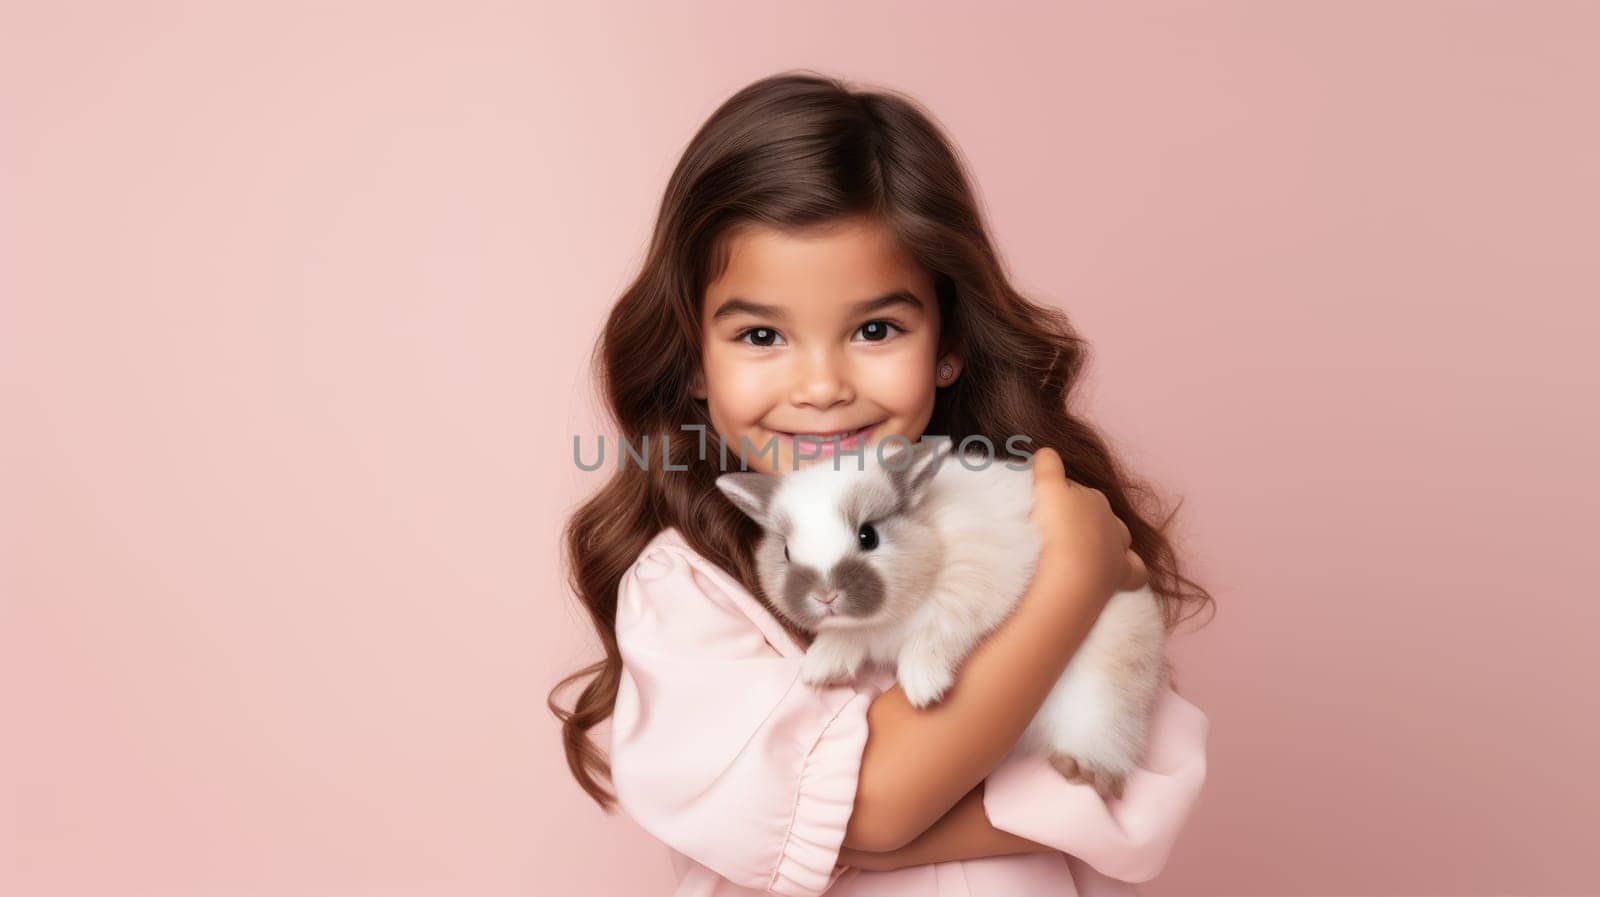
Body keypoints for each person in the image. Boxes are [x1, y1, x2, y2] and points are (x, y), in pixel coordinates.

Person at [550, 71, 1216, 896]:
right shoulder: (686, 589)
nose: (823, 385)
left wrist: (868, 831)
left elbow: (1124, 775)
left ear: (949, 341)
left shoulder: (1010, 519)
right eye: (762, 334)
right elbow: (872, 806)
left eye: (875, 329)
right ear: (694, 362)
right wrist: (1072, 583)